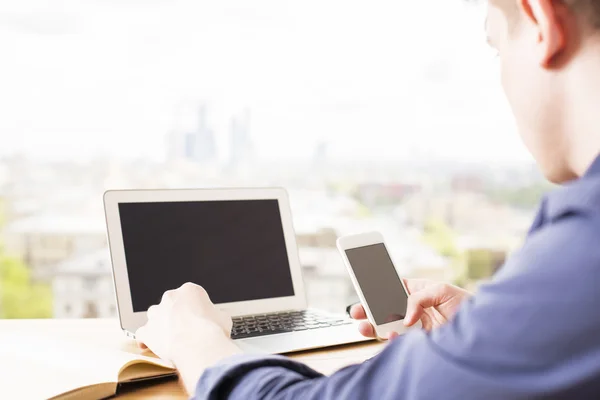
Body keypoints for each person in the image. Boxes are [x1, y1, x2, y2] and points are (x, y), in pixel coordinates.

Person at [135, 0, 600, 398]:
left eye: (497, 46)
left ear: (541, 21)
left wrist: (194, 340)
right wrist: (492, 334)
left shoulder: (586, 248)